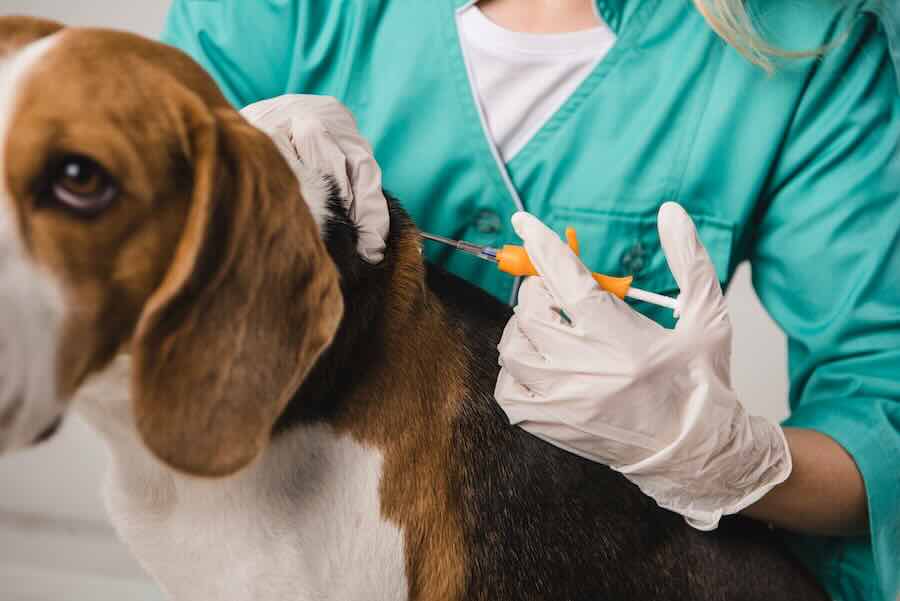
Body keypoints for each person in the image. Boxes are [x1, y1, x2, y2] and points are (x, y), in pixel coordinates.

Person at [161, 1, 900, 599]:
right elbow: (123, 215)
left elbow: (881, 411)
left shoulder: (810, 44)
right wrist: (236, 157)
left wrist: (731, 459)